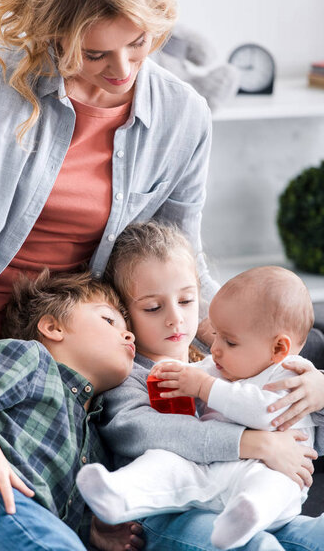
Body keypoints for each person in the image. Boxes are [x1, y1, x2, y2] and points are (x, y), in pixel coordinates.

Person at [0, 0, 220, 484]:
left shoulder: (184, 115)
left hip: (77, 350)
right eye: (96, 53)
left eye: (139, 43)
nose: (124, 71)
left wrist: (251, 337)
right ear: (52, 34)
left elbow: (179, 257)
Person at [85, 221, 324, 551]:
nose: (175, 319)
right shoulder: (129, 375)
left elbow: (306, 437)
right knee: (256, 546)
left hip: (248, 501)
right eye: (153, 307)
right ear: (125, 313)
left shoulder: (232, 355)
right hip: (170, 510)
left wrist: (317, 394)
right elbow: (146, 432)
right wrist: (253, 443)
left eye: (186, 301)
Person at [0, 269, 140, 550]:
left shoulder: (99, 434)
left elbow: (54, 514)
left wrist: (91, 531)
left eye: (128, 331)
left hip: (21, 520)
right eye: (109, 320)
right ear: (53, 328)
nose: (128, 336)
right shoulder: (29, 358)